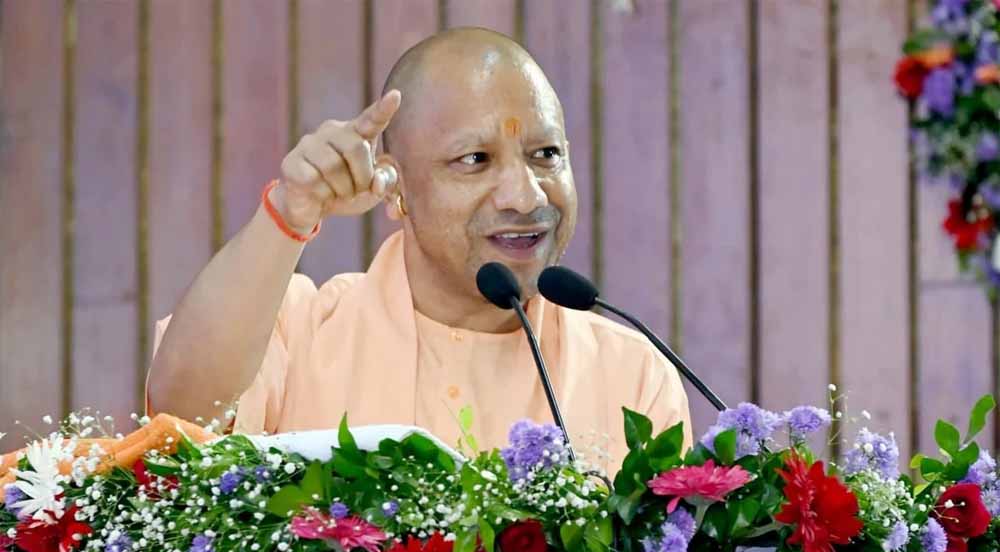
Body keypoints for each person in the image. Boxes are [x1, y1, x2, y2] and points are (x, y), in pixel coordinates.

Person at [146, 27, 691, 470]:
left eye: (546, 154)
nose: (526, 196)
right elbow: (180, 422)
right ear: (395, 186)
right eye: (475, 160)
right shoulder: (297, 329)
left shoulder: (631, 375)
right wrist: (289, 215)